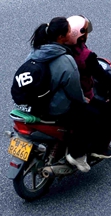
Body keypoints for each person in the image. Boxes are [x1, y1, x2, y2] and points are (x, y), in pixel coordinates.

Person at [25, 17, 105, 173]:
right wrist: (84, 100)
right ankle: (77, 154)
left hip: (34, 102)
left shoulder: (36, 52)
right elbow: (74, 91)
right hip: (54, 107)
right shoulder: (66, 60)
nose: (71, 33)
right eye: (69, 31)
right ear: (61, 37)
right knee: (93, 114)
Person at [65, 15, 111, 159]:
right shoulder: (85, 56)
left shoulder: (61, 48)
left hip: (60, 92)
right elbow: (103, 77)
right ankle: (99, 148)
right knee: (106, 112)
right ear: (80, 35)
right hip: (80, 95)